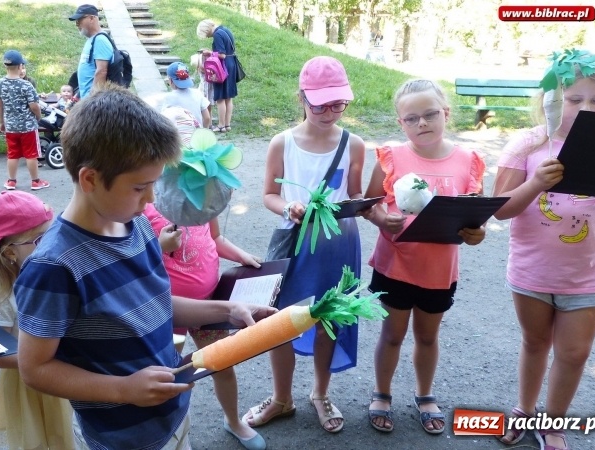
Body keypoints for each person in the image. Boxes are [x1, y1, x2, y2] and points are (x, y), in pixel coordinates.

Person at [14, 84, 276, 450]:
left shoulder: (135, 225)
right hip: (121, 436)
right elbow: (35, 369)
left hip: (171, 414)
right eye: (141, 187)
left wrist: (226, 310)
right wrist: (122, 389)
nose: (152, 199)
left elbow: (156, 303)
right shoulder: (54, 267)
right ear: (90, 179)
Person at [492, 57, 595, 450]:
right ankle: (524, 412)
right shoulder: (529, 144)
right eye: (574, 99)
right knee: (535, 342)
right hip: (532, 271)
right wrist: (535, 183)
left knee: (575, 353)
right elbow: (499, 208)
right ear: (550, 100)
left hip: (587, 274)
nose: (586, 108)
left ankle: (553, 424)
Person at [243, 56, 365, 434]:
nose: (329, 112)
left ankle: (320, 392)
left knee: (328, 318)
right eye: (319, 104)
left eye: (337, 104)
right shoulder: (283, 143)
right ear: (301, 98)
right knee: (280, 320)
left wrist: (366, 208)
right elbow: (268, 194)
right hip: (294, 245)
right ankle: (282, 397)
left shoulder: (353, 144)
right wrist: (289, 207)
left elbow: (356, 194)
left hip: (338, 246)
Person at [363, 79, 486, 435]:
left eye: (430, 114)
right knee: (392, 334)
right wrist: (382, 218)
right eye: (411, 118)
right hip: (395, 266)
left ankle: (425, 394)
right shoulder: (391, 157)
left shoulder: (468, 161)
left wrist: (475, 234)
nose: (422, 124)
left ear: (445, 113)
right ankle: (382, 393)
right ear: (400, 123)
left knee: (428, 337)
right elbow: (369, 203)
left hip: (440, 270)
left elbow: (474, 219)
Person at [143, 109, 265, 449]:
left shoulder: (204, 198)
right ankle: (171, 431)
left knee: (221, 363)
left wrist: (243, 257)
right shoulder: (149, 203)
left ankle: (234, 421)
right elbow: (131, 260)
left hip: (211, 304)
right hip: (169, 312)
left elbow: (215, 239)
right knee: (172, 374)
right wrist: (159, 246)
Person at [0, 191, 75, 450]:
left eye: (53, 234)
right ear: (10, 253)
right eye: (39, 240)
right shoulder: (5, 296)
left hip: (72, 376)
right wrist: (44, 360)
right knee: (39, 441)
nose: (51, 244)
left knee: (73, 438)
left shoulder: (62, 274)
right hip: (34, 386)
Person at [0, 49, 50, 191]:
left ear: (5, 66)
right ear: (20, 66)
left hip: (10, 126)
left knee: (12, 154)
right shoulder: (26, 85)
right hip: (28, 127)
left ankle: (11, 181)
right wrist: (38, 116)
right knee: (31, 155)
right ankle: (35, 181)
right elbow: (34, 105)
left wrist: (1, 122)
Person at [196, 19, 238, 133]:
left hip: (223, 66)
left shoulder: (217, 35)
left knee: (220, 98)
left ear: (207, 30)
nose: (207, 36)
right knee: (228, 97)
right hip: (232, 64)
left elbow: (222, 55)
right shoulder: (225, 30)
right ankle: (227, 125)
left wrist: (209, 53)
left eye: (205, 34)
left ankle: (220, 125)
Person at [70, 4, 112, 98]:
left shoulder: (100, 40)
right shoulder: (92, 39)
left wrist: (92, 101)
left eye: (79, 20)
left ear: (91, 18)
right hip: (86, 98)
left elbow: (102, 71)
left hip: (93, 101)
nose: (77, 24)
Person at [160, 62, 211, 127]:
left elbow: (164, 120)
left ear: (170, 80)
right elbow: (207, 118)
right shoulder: (198, 93)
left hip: (179, 135)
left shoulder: (169, 97)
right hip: (197, 134)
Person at [190, 52, 214, 127]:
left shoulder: (203, 67)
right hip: (205, 89)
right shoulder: (202, 68)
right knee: (206, 107)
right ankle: (208, 122)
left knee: (207, 107)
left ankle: (209, 123)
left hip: (207, 89)